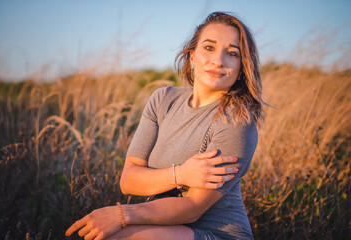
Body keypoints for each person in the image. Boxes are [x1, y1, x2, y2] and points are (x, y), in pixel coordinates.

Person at [66, 11, 264, 240]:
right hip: (165, 226)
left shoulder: (237, 120)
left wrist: (120, 215)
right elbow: (129, 180)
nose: (218, 60)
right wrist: (181, 173)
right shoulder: (163, 99)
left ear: (241, 67)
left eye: (232, 53)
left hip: (216, 233)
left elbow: (192, 208)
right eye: (209, 48)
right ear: (192, 56)